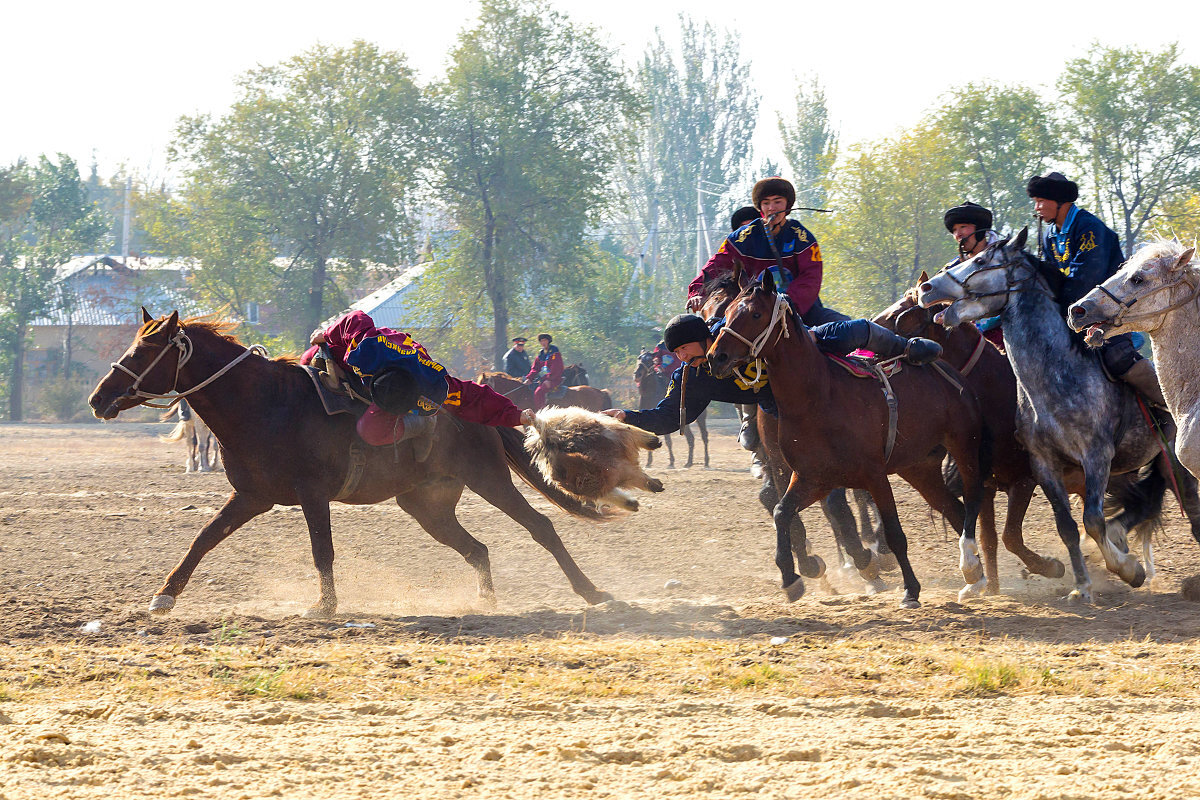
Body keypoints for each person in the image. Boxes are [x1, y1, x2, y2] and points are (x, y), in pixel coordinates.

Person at [603, 313, 943, 435]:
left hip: (800, 358)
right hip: (775, 402)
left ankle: (906, 347)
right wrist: (627, 417)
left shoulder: (733, 331)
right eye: (675, 354)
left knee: (855, 329)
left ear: (704, 338)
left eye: (683, 349)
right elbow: (667, 418)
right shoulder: (693, 378)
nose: (680, 358)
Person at [1027, 171, 1166, 408]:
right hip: (1075, 312)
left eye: (1041, 201)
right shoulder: (1050, 235)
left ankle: (1170, 409)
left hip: (1111, 310)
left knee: (1117, 359)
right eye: (1035, 202)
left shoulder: (1089, 227)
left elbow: (1085, 279)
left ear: (1062, 202)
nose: (1037, 207)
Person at [302, 310, 532, 453]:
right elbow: (357, 318)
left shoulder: (432, 386)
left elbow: (476, 398)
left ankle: (423, 426)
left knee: (369, 432)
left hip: (396, 388)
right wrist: (327, 333)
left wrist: (517, 416)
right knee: (310, 356)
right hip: (371, 358)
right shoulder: (368, 348)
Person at [686, 177, 848, 326]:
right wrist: (698, 292)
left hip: (799, 310)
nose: (772, 208)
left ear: (788, 205)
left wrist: (787, 304)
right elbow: (716, 265)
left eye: (778, 202)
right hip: (751, 310)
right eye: (766, 203)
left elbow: (811, 278)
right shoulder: (742, 238)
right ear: (760, 207)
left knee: (844, 325)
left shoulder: (803, 238)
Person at [943, 202, 1004, 348]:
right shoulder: (953, 268)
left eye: (963, 227)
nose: (958, 234)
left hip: (1004, 334)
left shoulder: (1003, 259)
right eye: (954, 230)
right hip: (969, 340)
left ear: (980, 229)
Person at [523, 333, 565, 411]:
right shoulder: (540, 354)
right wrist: (529, 378)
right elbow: (535, 368)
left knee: (538, 392)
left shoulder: (554, 352)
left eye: (545, 340)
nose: (543, 343)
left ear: (548, 341)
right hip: (543, 380)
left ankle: (542, 413)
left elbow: (557, 367)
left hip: (554, 379)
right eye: (541, 341)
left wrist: (549, 379)